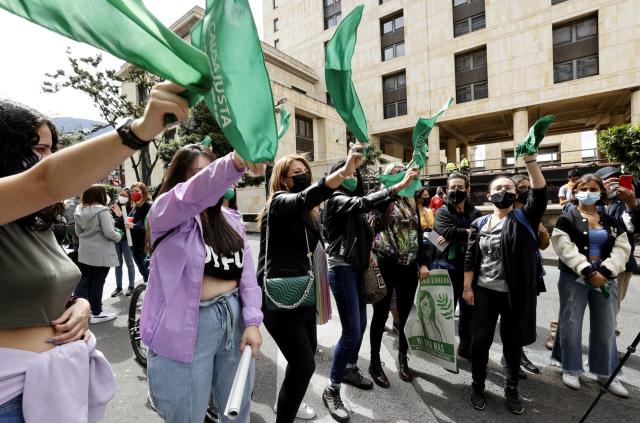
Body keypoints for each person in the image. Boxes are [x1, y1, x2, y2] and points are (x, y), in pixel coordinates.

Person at [0, 81, 187, 422]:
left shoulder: (34, 221)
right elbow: (45, 180)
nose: (49, 159)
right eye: (40, 149)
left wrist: (79, 305)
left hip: (56, 387)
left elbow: (31, 287)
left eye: (52, 149)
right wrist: (141, 129)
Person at [141, 144, 264, 423]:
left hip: (233, 322)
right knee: (187, 416)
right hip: (188, 328)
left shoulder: (231, 221)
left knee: (237, 411)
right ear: (179, 180)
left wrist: (253, 322)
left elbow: (246, 278)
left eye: (212, 171)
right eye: (200, 175)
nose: (210, 180)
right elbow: (190, 196)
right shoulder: (164, 215)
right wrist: (233, 161)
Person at [257, 146, 363, 423]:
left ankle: (288, 403)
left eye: (306, 171)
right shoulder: (279, 203)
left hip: (302, 293)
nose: (303, 175)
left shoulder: (308, 214)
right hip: (280, 298)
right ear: (283, 180)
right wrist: (342, 172)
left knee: (305, 359)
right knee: (304, 365)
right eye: (296, 173)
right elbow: (306, 195)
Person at [323, 161, 418, 422]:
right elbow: (362, 205)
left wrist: (369, 254)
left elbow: (367, 222)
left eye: (354, 173)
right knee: (352, 330)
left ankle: (350, 368)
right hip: (342, 270)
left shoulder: (358, 198)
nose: (352, 177)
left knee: (361, 324)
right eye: (345, 173)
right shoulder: (335, 200)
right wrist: (398, 185)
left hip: (358, 269)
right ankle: (332, 389)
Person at [463, 153, 547, 414]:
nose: (503, 191)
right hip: (484, 292)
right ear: (488, 195)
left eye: (508, 187)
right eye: (497, 188)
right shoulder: (479, 223)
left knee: (512, 344)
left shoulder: (525, 219)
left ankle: (511, 389)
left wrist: (531, 162)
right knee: (480, 342)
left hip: (515, 295)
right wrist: (467, 288)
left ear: (516, 193)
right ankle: (478, 385)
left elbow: (540, 192)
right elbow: (470, 257)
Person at [551, 174, 631, 398]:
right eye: (583, 188)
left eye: (593, 188)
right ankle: (571, 368)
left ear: (600, 193)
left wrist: (604, 271)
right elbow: (563, 247)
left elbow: (623, 246)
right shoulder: (566, 218)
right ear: (575, 192)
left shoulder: (610, 220)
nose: (588, 191)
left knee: (606, 326)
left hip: (606, 279)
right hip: (574, 278)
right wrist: (586, 270)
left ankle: (605, 372)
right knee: (570, 322)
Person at [369, 164, 429, 388]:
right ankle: (375, 362)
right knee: (380, 314)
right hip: (386, 264)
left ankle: (403, 357)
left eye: (403, 172)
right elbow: (370, 223)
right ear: (387, 178)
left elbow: (418, 233)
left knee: (404, 315)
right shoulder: (381, 198)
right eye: (396, 172)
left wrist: (422, 262)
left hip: (409, 267)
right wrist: (397, 186)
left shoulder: (411, 201)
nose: (403, 175)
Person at [505, 174, 550, 376]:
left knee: (523, 318)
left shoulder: (532, 214)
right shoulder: (505, 213)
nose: (524, 190)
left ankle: (518, 354)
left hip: (531, 272)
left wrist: (541, 231)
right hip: (508, 277)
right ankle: (509, 357)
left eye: (527, 187)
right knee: (510, 318)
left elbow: (543, 244)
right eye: (520, 187)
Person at [434, 172, 481, 359]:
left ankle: (465, 346)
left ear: (467, 190)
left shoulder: (475, 212)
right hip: (448, 269)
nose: (456, 190)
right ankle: (442, 348)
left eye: (460, 187)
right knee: (445, 311)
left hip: (470, 269)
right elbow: (447, 231)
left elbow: (477, 234)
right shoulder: (442, 212)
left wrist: (456, 235)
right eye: (452, 187)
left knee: (468, 311)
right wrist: (466, 233)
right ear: (446, 190)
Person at [595, 166, 640, 334]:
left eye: (618, 180)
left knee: (611, 308)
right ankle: (558, 336)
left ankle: (607, 348)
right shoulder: (592, 201)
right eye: (609, 180)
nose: (614, 184)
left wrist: (632, 203)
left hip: (621, 266)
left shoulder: (628, 203)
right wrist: (601, 197)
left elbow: (636, 228)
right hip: (593, 264)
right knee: (575, 305)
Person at [75, 184, 121, 324]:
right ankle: (97, 312)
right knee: (99, 282)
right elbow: (109, 232)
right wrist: (118, 236)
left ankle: (89, 310)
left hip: (85, 252)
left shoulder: (79, 210)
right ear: (100, 196)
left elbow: (78, 233)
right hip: (101, 252)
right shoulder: (103, 211)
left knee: (88, 281)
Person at [110, 188, 137, 297]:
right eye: (121, 195)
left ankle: (131, 286)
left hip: (127, 239)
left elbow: (128, 223)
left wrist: (120, 216)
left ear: (129, 197)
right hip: (116, 239)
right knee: (118, 264)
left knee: (130, 263)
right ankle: (119, 287)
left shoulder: (132, 208)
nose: (122, 197)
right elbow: (111, 221)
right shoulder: (114, 206)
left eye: (125, 195)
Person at [126, 182, 152, 282]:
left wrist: (135, 226)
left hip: (144, 245)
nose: (133, 193)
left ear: (143, 192)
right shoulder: (134, 208)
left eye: (137, 191)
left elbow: (149, 225)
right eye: (132, 191)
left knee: (148, 271)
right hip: (135, 245)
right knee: (143, 272)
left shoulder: (148, 206)